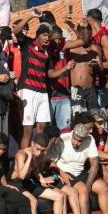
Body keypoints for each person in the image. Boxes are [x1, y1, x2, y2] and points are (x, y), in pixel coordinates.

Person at [11, 133, 77, 214]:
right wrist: (30, 157)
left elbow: (35, 169)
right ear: (32, 143)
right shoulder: (21, 154)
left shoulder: (40, 155)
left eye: (42, 150)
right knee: (33, 201)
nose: (39, 153)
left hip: (28, 183)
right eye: (37, 149)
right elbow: (21, 175)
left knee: (60, 196)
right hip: (17, 184)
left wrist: (41, 179)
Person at [17, 23, 72, 151]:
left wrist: (66, 67)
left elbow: (50, 73)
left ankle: (37, 159)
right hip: (28, 89)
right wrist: (30, 15)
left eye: (49, 36)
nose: (47, 38)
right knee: (28, 129)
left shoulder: (47, 52)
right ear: (38, 35)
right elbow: (16, 32)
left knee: (42, 128)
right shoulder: (28, 44)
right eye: (45, 35)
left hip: (42, 92)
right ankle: (24, 158)